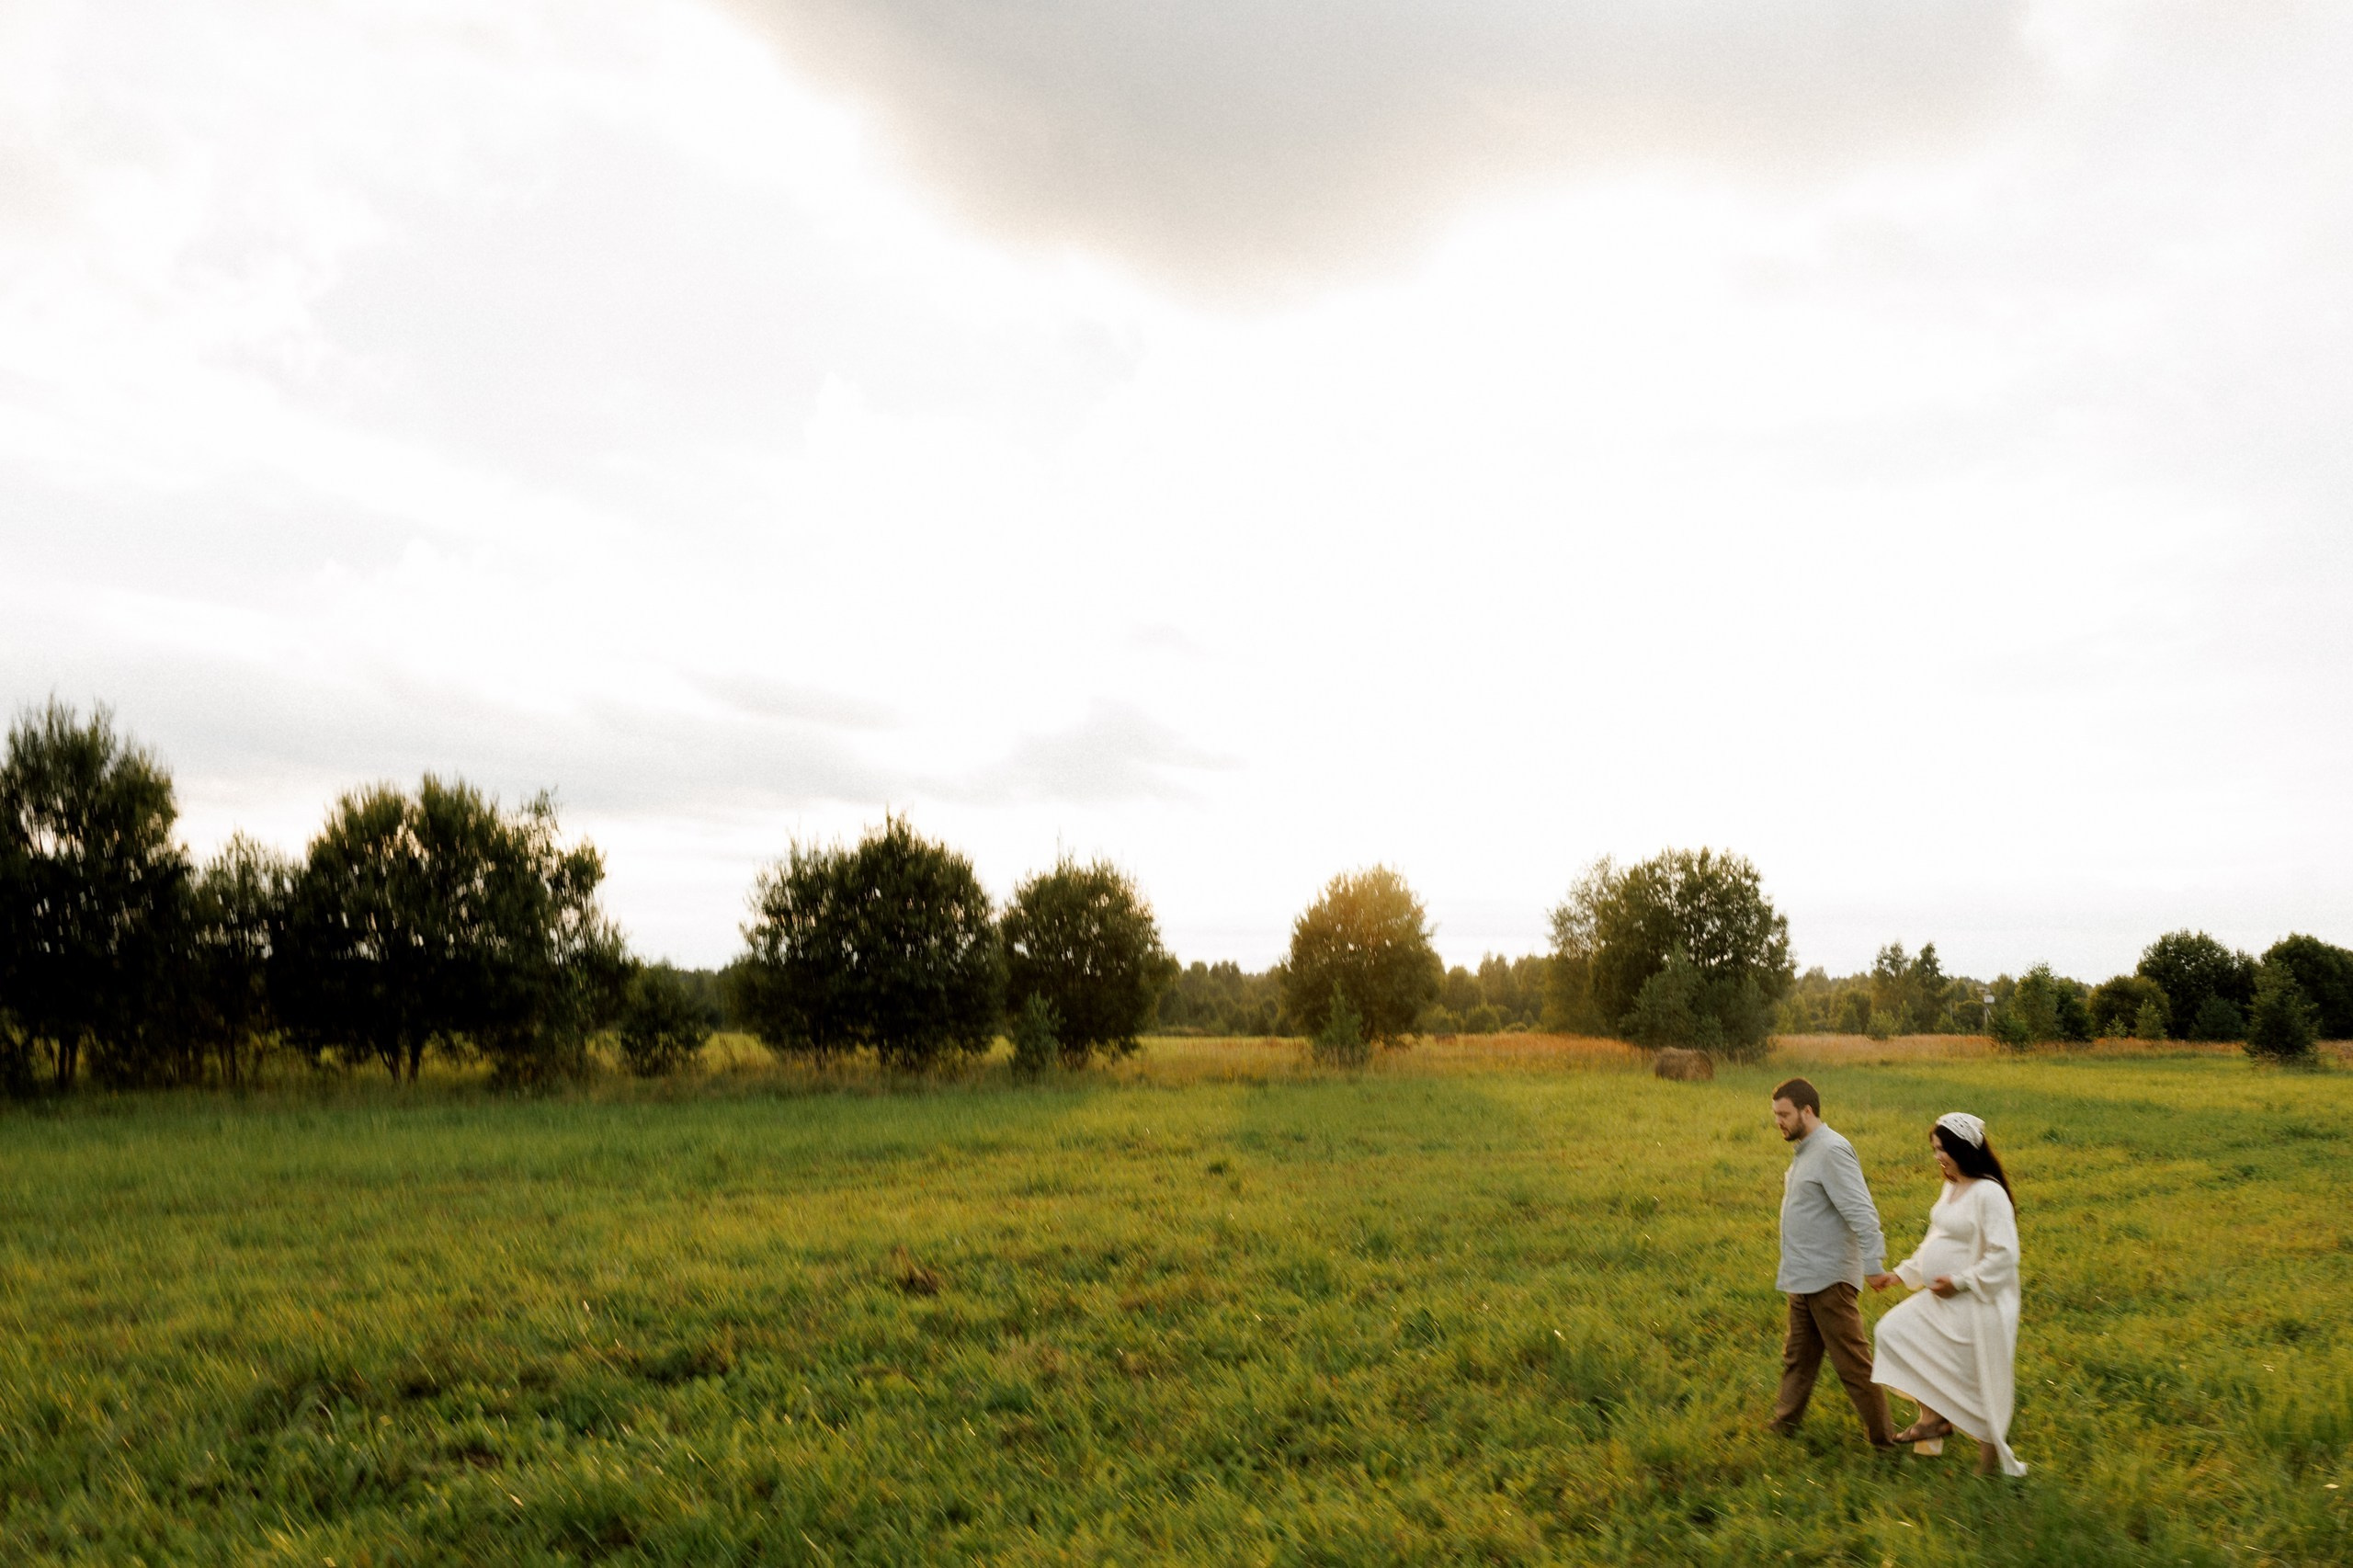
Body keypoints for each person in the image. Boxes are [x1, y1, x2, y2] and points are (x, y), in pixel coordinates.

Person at [1868, 1111, 2029, 1478]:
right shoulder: (1952, 1185)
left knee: (1977, 1379)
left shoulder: (1989, 1193)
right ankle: (1933, 1419)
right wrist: (1900, 1274)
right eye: (1935, 1150)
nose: (1937, 1157)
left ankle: (1988, 1467)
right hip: (1942, 1298)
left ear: (1963, 1149)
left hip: (1976, 1301)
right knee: (1891, 1332)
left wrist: (1960, 1281)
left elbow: (2005, 1255)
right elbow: (1933, 1240)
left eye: (1943, 1150)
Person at [1766, 1077, 1895, 1449]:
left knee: (1853, 1366)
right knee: (1798, 1359)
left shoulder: (1832, 1150)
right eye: (1776, 1115)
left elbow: (1861, 1211)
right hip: (1802, 1276)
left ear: (1807, 1111)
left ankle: (1885, 1443)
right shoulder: (1806, 1151)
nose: (1779, 1122)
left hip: (1829, 1279)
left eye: (1785, 1114)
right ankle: (1784, 1427)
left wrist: (1873, 1265)